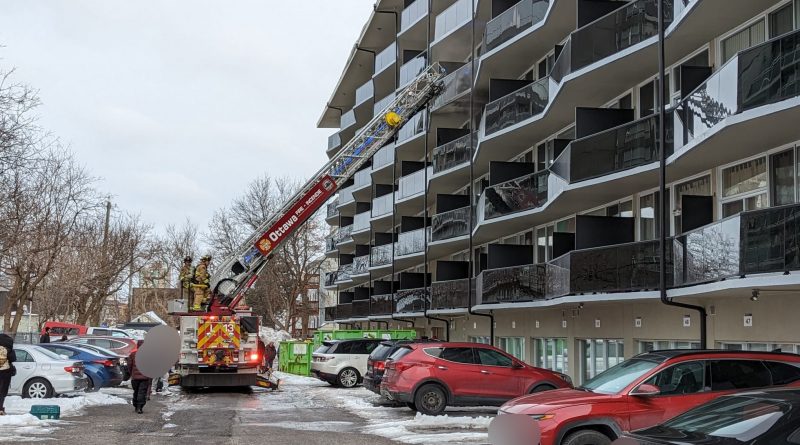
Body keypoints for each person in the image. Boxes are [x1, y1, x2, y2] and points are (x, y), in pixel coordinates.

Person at [127, 340, 151, 414]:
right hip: (145, 377)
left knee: (136, 391)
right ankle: (139, 407)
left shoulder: (133, 354)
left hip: (135, 378)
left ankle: (136, 406)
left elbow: (129, 365)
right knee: (142, 392)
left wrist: (132, 373)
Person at [0, 333, 16, 416]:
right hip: (5, 372)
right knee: (2, 391)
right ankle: (0, 409)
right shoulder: (9, 349)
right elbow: (13, 359)